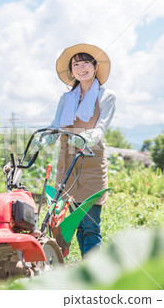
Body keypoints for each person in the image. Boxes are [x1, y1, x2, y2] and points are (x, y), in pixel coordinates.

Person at [41, 43, 116, 256]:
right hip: (66, 162)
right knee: (74, 224)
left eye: (86, 63)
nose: (81, 67)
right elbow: (56, 125)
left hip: (91, 159)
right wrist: (46, 137)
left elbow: (101, 126)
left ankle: (94, 275)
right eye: (76, 64)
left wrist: (89, 137)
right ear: (71, 71)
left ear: (95, 67)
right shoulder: (66, 98)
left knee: (90, 224)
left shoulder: (106, 96)